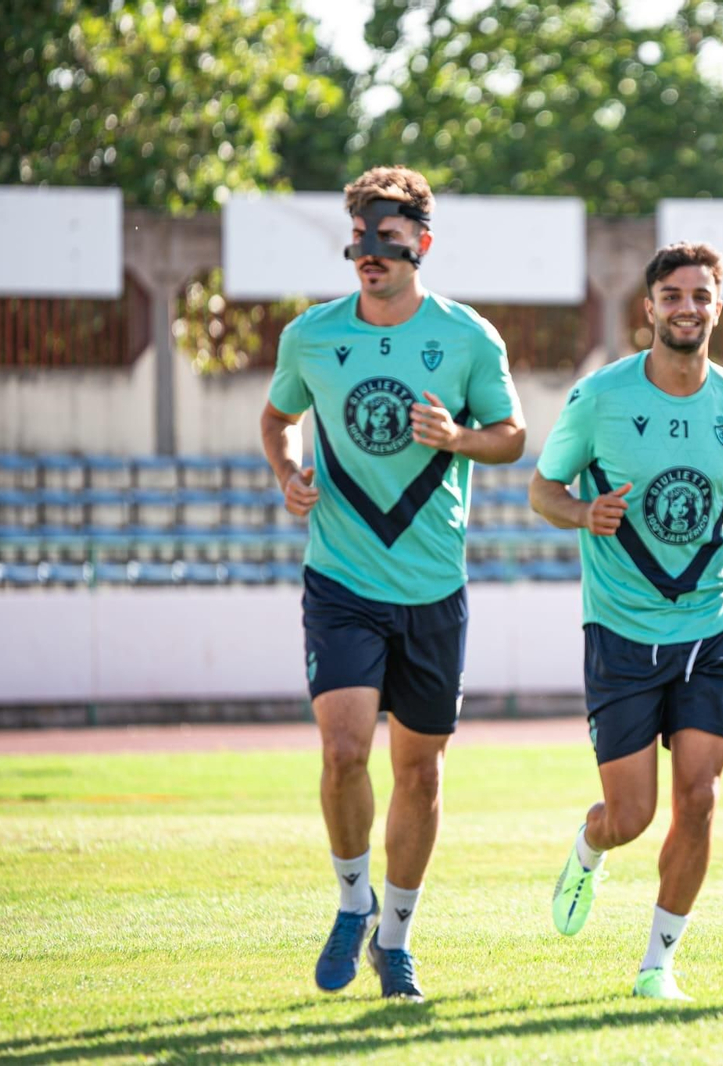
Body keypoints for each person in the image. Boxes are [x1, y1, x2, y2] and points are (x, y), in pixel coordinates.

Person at [258, 165, 526, 1002]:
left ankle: (396, 937)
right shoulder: (310, 335)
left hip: (433, 586)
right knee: (343, 752)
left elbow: (513, 438)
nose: (369, 253)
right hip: (339, 577)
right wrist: (289, 471)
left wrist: (456, 436)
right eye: (360, 238)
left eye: (387, 237)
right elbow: (278, 417)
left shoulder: (469, 337)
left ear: (421, 245)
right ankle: (350, 902)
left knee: (421, 774)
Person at [529, 241, 723, 1001]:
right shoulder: (600, 398)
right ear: (649, 308)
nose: (687, 308)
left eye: (701, 295)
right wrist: (584, 512)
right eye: (673, 296)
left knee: (699, 799)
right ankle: (591, 849)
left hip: (709, 627)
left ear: (718, 306)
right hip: (620, 630)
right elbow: (542, 489)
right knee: (631, 814)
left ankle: (657, 966)